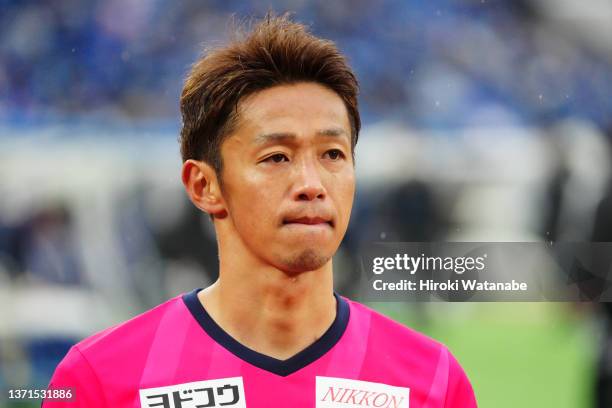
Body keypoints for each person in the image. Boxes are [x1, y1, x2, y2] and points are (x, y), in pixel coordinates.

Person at [44, 14, 477, 407]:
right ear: (204, 185)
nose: (311, 184)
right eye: (276, 157)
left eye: (332, 154)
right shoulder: (99, 381)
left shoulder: (432, 382)